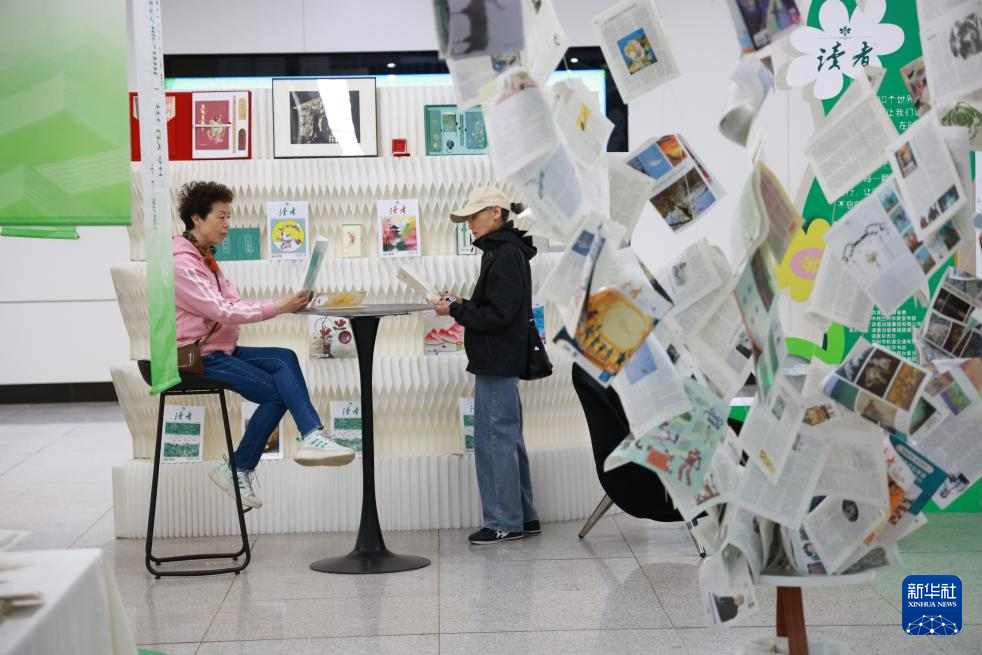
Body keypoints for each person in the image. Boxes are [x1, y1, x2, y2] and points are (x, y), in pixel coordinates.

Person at [173, 181, 355, 510]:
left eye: (229, 217)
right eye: (221, 216)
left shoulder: (204, 258)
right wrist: (280, 306)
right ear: (197, 218)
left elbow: (233, 302)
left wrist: (287, 304)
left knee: (283, 358)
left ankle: (311, 434)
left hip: (220, 350)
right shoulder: (182, 263)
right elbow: (221, 310)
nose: (227, 224)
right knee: (276, 392)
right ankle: (239, 466)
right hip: (200, 356)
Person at [432, 186, 540, 545]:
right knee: (508, 440)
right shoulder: (506, 250)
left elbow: (498, 316)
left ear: (496, 212)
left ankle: (504, 522)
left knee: (494, 441)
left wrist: (456, 310)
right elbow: (500, 308)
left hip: (496, 359)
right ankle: (523, 516)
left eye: (473, 216)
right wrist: (462, 303)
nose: (469, 225)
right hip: (503, 357)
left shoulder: (503, 254)